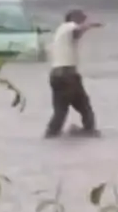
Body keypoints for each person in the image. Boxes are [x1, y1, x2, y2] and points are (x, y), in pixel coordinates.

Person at [44, 9, 103, 138]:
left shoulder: (61, 35)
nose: (85, 21)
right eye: (83, 18)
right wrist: (91, 25)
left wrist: (85, 28)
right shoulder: (67, 27)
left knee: (63, 110)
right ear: (75, 18)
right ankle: (88, 132)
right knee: (81, 107)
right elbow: (76, 30)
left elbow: (77, 33)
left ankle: (51, 135)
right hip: (67, 76)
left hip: (59, 76)